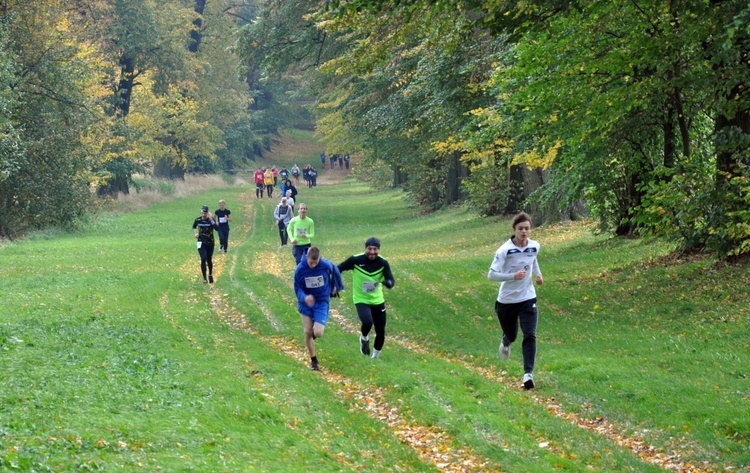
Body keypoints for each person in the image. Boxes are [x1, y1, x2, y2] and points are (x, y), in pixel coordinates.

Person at [487, 211, 543, 389]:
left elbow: (532, 260)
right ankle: (505, 341)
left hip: (527, 297)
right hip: (507, 301)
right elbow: (491, 275)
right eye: (520, 229)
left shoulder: (534, 246)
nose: (524, 232)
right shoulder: (504, 250)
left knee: (530, 334)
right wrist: (513, 276)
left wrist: (538, 274)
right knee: (512, 335)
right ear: (514, 230)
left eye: (527, 228)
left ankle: (528, 374)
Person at [338, 237, 395, 359]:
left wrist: (389, 283)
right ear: (366, 249)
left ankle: (374, 357)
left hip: (377, 300)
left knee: (381, 331)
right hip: (361, 299)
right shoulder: (356, 260)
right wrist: (335, 284)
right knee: (368, 322)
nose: (372, 252)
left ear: (379, 250)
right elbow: (339, 268)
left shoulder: (383, 263)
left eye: (375, 249)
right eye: (370, 248)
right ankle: (364, 338)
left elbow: (391, 279)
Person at [294, 246, 344, 371]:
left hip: (321, 301)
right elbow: (297, 288)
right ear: (307, 257)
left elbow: (335, 270)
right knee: (307, 332)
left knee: (318, 333)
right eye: (311, 262)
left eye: (316, 262)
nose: (313, 265)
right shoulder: (300, 269)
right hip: (306, 303)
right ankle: (314, 361)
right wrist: (305, 297)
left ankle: (315, 330)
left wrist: (336, 286)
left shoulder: (325, 265)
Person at [192, 205, 219, 283]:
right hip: (201, 242)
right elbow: (194, 227)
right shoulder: (198, 220)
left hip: (210, 242)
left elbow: (217, 229)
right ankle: (204, 278)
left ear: (207, 213)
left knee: (209, 259)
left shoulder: (211, 220)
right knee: (203, 258)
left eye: (205, 213)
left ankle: (210, 274)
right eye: (202, 213)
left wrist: (211, 218)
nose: (203, 215)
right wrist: (196, 233)